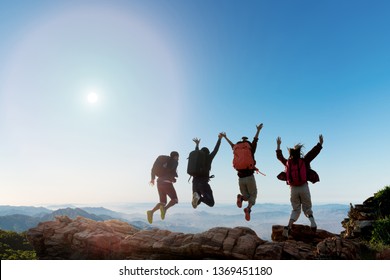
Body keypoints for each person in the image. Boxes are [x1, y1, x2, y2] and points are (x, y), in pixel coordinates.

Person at [276, 135, 323, 238]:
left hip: (293, 189)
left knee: (296, 210)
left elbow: (279, 157)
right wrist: (320, 144)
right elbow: (313, 153)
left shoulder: (288, 163)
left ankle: (288, 226)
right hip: (303, 187)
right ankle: (312, 222)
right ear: (299, 153)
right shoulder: (304, 161)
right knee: (307, 207)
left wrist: (278, 145)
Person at [221, 123, 264, 221]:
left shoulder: (236, 147)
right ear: (247, 142)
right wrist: (258, 130)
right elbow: (255, 140)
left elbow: (231, 144)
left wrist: (225, 137)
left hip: (240, 177)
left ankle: (240, 197)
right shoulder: (250, 147)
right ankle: (248, 208)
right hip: (249, 176)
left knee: (247, 196)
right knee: (253, 195)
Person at [191, 133, 223, 208]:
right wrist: (219, 139)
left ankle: (198, 198)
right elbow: (216, 149)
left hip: (195, 182)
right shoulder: (209, 157)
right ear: (208, 153)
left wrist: (197, 145)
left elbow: (196, 152)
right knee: (211, 203)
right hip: (203, 183)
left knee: (196, 203)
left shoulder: (197, 158)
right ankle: (200, 198)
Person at [147, 151, 179, 224]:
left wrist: (152, 179)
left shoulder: (162, 160)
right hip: (167, 183)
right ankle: (164, 209)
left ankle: (151, 212)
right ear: (175, 156)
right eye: (178, 157)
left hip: (159, 183)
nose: (178, 159)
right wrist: (173, 178)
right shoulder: (174, 162)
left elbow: (153, 169)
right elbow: (171, 172)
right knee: (175, 200)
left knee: (163, 202)